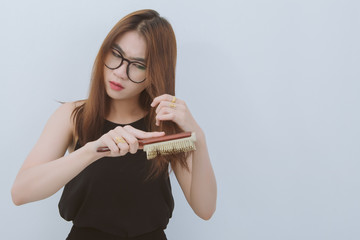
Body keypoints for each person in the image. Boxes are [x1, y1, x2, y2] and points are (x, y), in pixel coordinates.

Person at [11, 9, 217, 240]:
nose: (119, 72)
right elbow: (20, 192)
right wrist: (92, 151)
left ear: (155, 72)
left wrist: (197, 136)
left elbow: (205, 209)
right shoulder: (73, 116)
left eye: (138, 65)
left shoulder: (163, 127)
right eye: (116, 54)